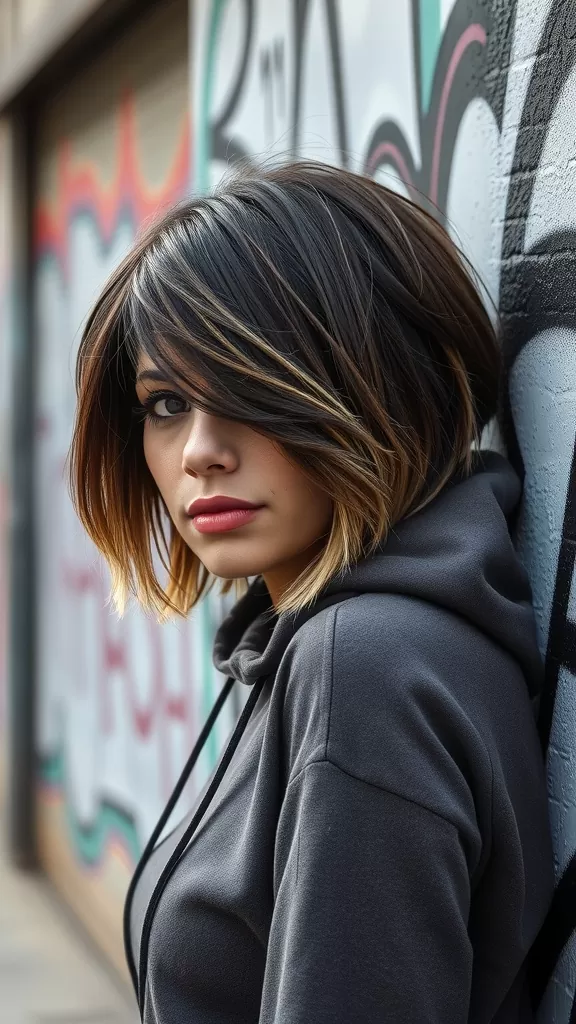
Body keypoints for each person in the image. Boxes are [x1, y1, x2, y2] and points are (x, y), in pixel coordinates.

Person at [69, 161, 553, 1023]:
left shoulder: (361, 669)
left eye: (251, 390)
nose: (200, 452)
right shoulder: (337, 640)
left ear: (381, 385)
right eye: (168, 401)